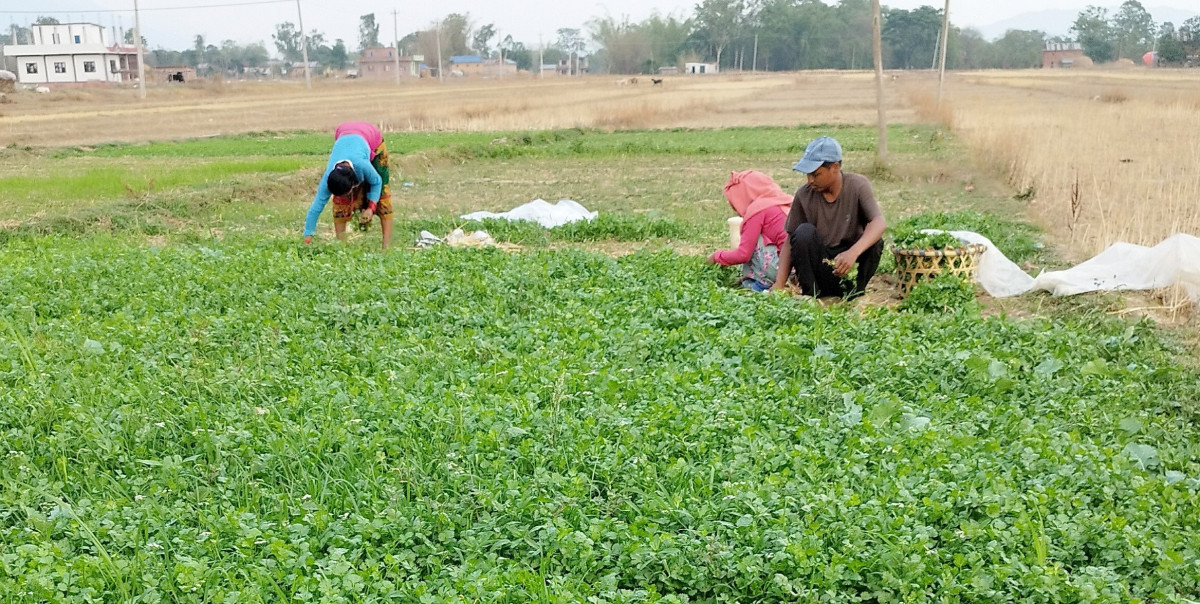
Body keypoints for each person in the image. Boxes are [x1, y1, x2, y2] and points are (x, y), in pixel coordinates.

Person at [774, 136, 886, 298]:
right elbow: (789, 242)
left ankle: (855, 293)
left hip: (848, 266)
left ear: (834, 167)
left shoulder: (858, 186)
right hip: (822, 266)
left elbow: (879, 222)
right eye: (808, 174)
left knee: (875, 241)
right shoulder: (804, 195)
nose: (810, 180)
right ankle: (812, 295)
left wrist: (853, 252)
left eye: (816, 174)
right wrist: (779, 284)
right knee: (802, 232)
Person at [302, 121, 394, 250]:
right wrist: (308, 235)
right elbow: (316, 207)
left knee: (383, 193)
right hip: (344, 134)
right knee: (341, 201)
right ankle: (342, 248)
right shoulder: (328, 177)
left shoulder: (361, 164)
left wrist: (371, 208)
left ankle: (386, 247)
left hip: (372, 138)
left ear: (353, 183)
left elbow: (376, 181)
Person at [706, 170, 792, 291]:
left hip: (782, 270)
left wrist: (716, 257)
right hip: (799, 270)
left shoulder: (758, 210)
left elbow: (743, 255)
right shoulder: (781, 202)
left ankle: (761, 283)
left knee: (753, 241)